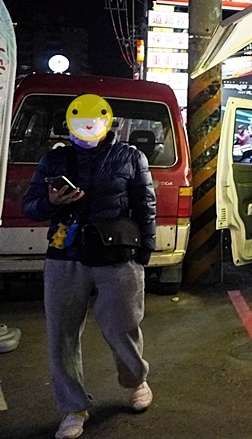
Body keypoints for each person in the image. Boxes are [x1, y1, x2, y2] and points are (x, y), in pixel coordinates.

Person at [22, 94, 156, 439]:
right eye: (79, 127)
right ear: (70, 126)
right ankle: (73, 408)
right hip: (65, 257)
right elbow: (31, 206)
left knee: (122, 326)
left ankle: (135, 381)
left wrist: (145, 254)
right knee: (62, 336)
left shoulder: (130, 156)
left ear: (107, 123)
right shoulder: (55, 160)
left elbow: (146, 206)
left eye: (93, 125)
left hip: (118, 256)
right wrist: (51, 202)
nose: (86, 133)